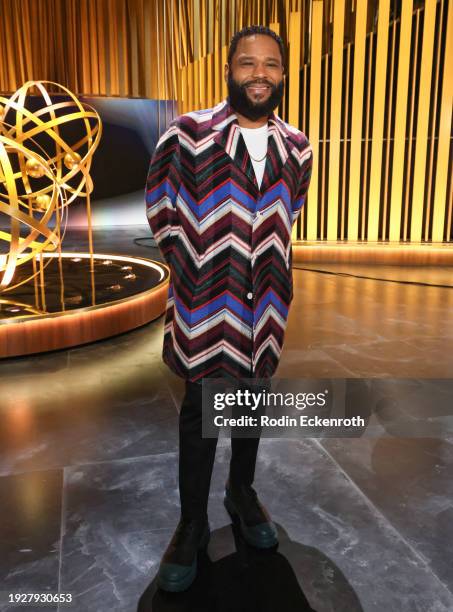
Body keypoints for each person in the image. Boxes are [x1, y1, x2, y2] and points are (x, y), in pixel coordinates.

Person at [145, 25, 313, 592]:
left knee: (249, 405)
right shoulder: (188, 133)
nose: (259, 74)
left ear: (284, 74)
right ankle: (192, 523)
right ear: (229, 69)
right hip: (206, 303)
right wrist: (195, 267)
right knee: (200, 414)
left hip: (265, 304)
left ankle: (241, 493)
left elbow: (286, 217)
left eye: (271, 64)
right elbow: (160, 205)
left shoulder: (298, 146)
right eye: (247, 63)